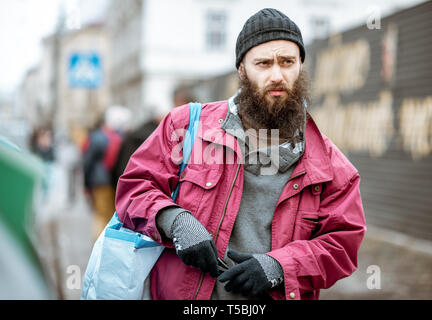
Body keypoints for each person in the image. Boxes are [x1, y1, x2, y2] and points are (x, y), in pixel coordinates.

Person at [115, 8, 366, 300]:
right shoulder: (185, 126)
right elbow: (134, 187)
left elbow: (342, 245)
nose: (277, 75)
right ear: (242, 69)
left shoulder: (332, 167)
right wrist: (175, 221)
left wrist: (279, 267)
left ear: (300, 66)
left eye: (287, 62)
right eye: (263, 63)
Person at [83, 107, 129, 238]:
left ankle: (99, 244)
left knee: (100, 216)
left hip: (99, 181)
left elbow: (87, 162)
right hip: (117, 182)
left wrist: (86, 185)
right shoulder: (122, 137)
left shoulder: (96, 137)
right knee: (112, 215)